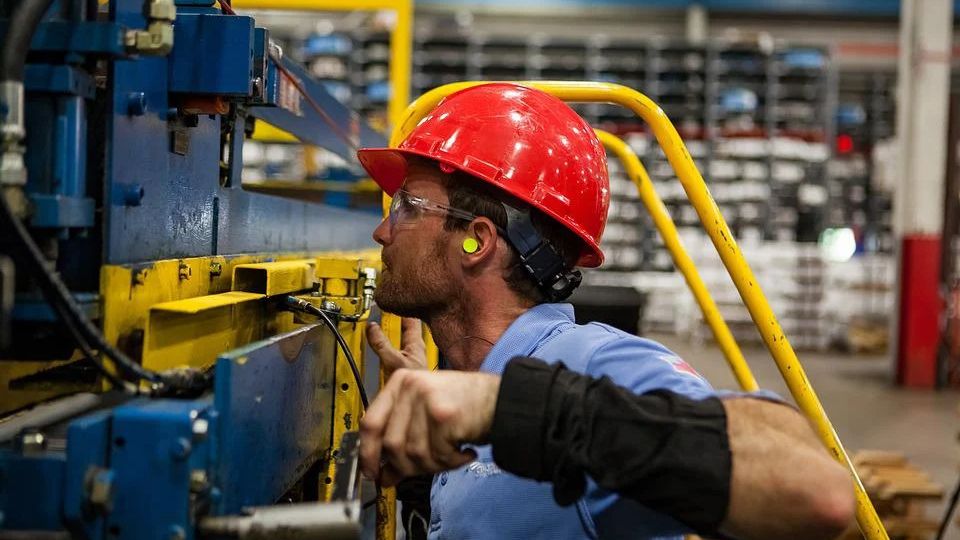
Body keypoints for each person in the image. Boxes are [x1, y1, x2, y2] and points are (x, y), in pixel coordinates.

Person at [355, 82, 855, 540]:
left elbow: (817, 491)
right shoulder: (462, 383)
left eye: (408, 207)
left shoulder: (591, 361)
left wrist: (507, 407)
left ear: (477, 241)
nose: (383, 232)